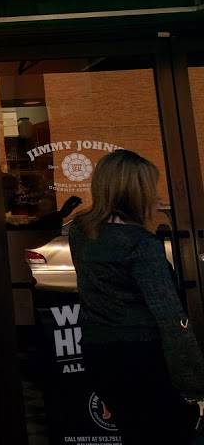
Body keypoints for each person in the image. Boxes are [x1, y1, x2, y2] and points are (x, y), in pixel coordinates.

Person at [70, 149, 204, 444]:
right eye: (150, 187)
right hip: (143, 358)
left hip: (100, 354)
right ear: (134, 192)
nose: (157, 195)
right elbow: (170, 318)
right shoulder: (141, 245)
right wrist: (195, 384)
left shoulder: (81, 231)